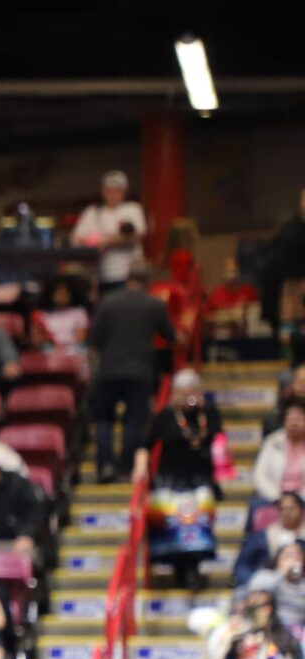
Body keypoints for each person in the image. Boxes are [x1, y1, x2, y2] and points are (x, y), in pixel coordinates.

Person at [86, 269, 177, 482]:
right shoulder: (154, 304)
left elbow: (94, 339)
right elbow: (170, 335)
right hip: (140, 372)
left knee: (104, 419)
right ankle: (127, 468)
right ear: (147, 282)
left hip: (108, 370)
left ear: (127, 281)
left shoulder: (108, 302)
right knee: (134, 421)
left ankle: (105, 466)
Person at [151, 368, 225, 589]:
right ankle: (180, 569)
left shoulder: (210, 414)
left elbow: (218, 442)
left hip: (201, 478)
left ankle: (194, 569)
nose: (188, 396)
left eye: (192, 391)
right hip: (170, 480)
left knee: (198, 524)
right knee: (174, 525)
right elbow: (146, 444)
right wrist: (139, 468)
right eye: (183, 392)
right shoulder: (165, 416)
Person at [73, 168, 148, 291]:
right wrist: (94, 243)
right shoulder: (92, 212)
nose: (113, 194)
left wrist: (106, 242)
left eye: (117, 190)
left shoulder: (133, 209)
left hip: (128, 276)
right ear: (103, 191)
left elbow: (137, 236)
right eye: (109, 190)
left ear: (124, 192)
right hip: (99, 276)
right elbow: (77, 238)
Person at [256, 401, 305, 506]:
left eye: (298, 419)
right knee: (256, 507)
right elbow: (260, 475)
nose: (294, 423)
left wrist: (299, 499)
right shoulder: (272, 441)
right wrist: (277, 497)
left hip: (303, 498)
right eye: (290, 419)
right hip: (275, 498)